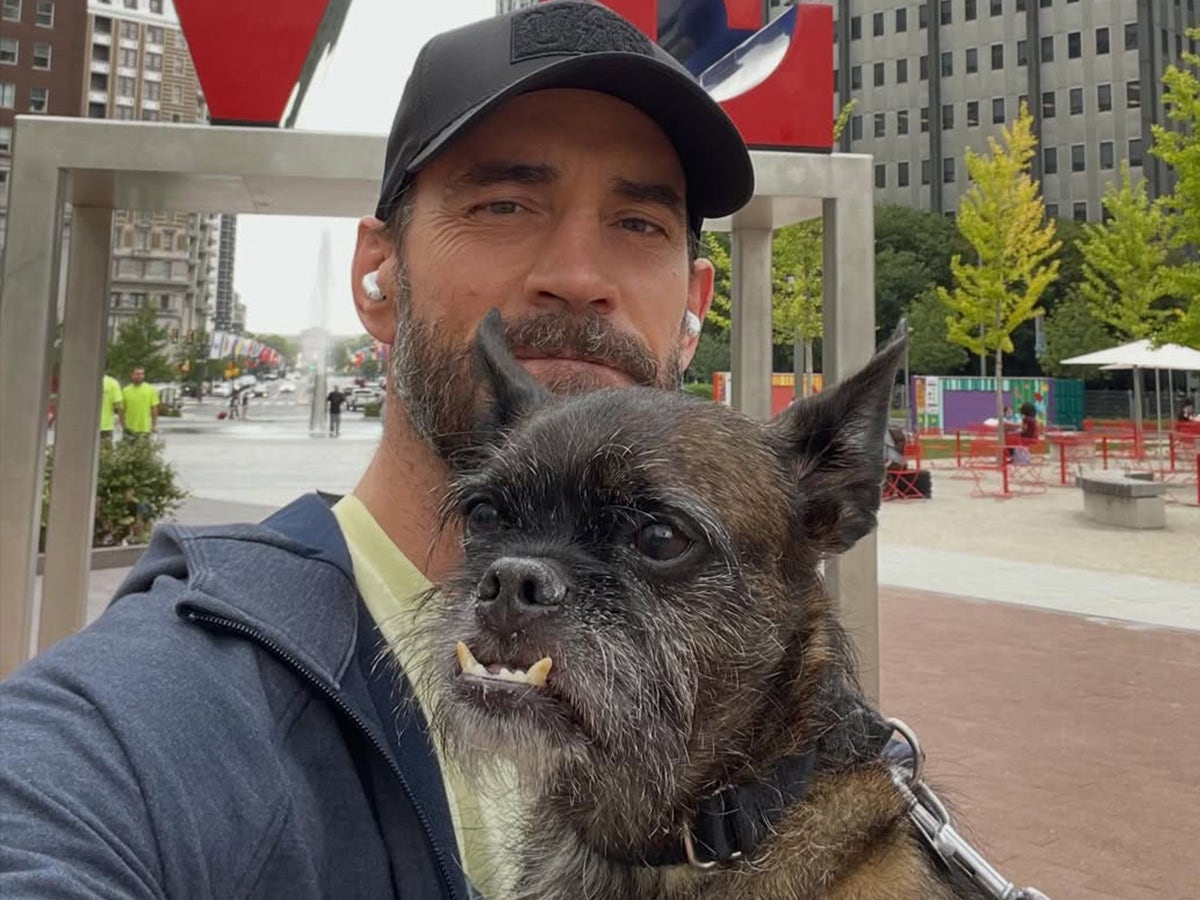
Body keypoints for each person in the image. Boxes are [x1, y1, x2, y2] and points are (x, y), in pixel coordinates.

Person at [0, 4, 753, 898]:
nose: (580, 276)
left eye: (639, 225)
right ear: (377, 276)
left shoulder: (765, 697)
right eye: (504, 204)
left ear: (693, 305)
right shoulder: (159, 714)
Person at [120, 366, 159, 439]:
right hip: (129, 428)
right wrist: (123, 424)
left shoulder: (151, 390)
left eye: (142, 374)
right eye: (137, 374)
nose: (140, 376)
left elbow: (154, 409)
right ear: (132, 375)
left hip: (144, 428)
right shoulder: (125, 391)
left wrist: (154, 425)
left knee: (143, 449)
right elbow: (122, 410)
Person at [99, 372, 124, 446]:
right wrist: (122, 423)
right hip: (106, 425)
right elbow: (118, 406)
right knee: (106, 452)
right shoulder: (113, 383)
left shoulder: (87, 380)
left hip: (86, 425)